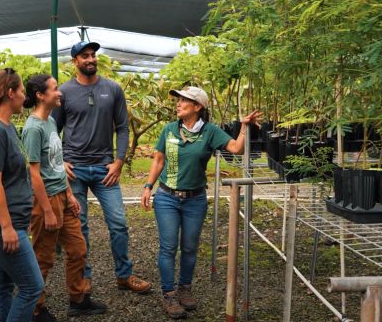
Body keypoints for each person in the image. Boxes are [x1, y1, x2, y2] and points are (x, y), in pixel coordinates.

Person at [139, 86, 261, 319]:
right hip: (166, 197)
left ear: (198, 107)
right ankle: (169, 294)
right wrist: (147, 186)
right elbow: (158, 161)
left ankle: (185, 289)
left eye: (184, 100)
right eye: (178, 100)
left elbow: (235, 148)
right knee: (168, 247)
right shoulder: (169, 130)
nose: (178, 104)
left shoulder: (210, 132)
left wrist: (244, 126)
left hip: (195, 200)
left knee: (189, 247)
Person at [52, 40, 153, 294]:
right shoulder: (64, 93)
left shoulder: (113, 89)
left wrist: (118, 161)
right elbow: (52, 131)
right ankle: (83, 279)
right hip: (74, 169)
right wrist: (60, 161)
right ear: (74, 61)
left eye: (93, 55)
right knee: (79, 226)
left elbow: (121, 127)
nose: (90, 59)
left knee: (118, 222)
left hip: (104, 169)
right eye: (84, 56)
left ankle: (124, 275)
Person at [22, 74, 108, 322]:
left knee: (78, 249)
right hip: (46, 200)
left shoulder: (49, 121)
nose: (59, 93)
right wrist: (47, 210)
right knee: (43, 257)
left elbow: (57, 163)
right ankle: (36, 309)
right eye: (55, 89)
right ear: (41, 95)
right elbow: (35, 174)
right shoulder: (33, 128)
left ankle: (78, 299)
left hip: (62, 195)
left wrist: (69, 194)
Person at [0, 68, 44, 322]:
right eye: (22, 90)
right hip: (1, 227)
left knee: (2, 287)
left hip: (12, 223)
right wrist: (7, 227)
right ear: (10, 93)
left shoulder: (7, 126)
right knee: (32, 287)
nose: (25, 97)